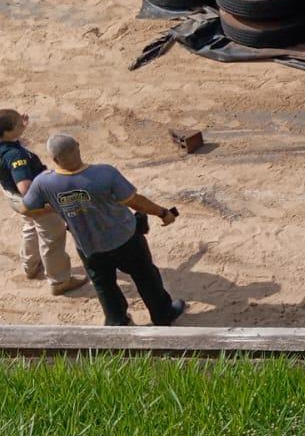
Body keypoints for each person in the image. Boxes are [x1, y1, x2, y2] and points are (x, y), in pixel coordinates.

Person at [19, 133, 186, 326]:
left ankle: (117, 321)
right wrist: (163, 213)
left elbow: (27, 208)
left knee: (104, 286)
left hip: (89, 247)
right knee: (146, 276)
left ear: (54, 159)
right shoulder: (105, 173)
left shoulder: (43, 183)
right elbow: (134, 201)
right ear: (78, 147)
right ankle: (163, 314)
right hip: (126, 239)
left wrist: (60, 206)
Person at [2, 110, 88, 296]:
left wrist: (19, 128)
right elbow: (26, 188)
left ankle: (30, 266)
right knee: (52, 238)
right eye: (18, 125)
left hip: (15, 199)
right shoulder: (16, 157)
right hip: (33, 202)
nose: (22, 125)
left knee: (30, 227)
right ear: (7, 131)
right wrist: (48, 200)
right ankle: (59, 281)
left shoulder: (5, 145)